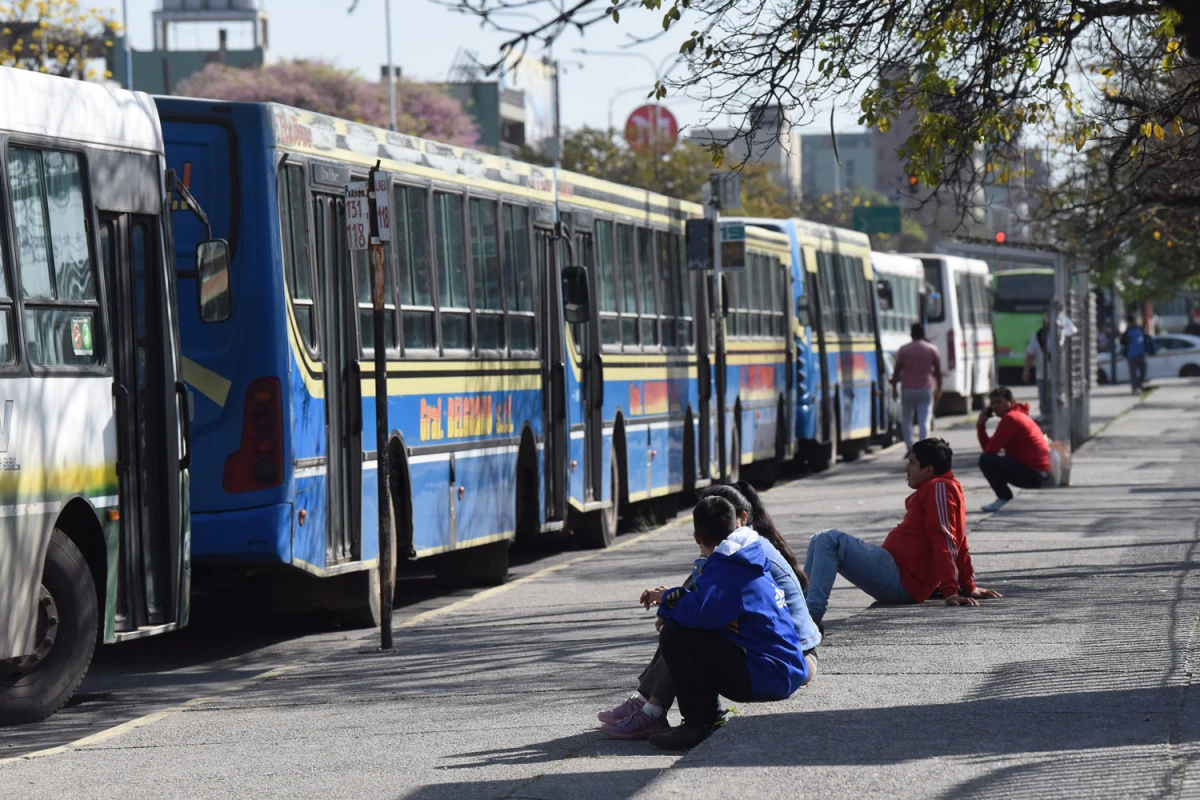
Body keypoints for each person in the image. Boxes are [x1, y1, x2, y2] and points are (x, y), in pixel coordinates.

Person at [597, 482, 821, 740]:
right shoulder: (747, 552)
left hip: (783, 669)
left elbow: (701, 613)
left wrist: (670, 603)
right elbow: (705, 600)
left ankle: (690, 721)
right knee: (684, 626)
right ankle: (650, 705)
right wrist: (672, 600)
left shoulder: (732, 563)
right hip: (783, 664)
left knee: (678, 633)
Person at [802, 438, 1002, 627]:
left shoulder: (940, 487)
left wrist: (951, 591)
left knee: (829, 540)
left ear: (928, 470)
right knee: (820, 539)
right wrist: (968, 586)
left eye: (912, 463)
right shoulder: (940, 487)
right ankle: (801, 614)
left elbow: (947, 539)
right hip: (894, 570)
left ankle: (810, 617)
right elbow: (960, 540)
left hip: (901, 579)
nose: (907, 468)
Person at [976, 386, 1051, 513]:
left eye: (999, 402)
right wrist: (981, 426)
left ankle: (1004, 497)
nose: (995, 406)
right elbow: (989, 450)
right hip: (1038, 473)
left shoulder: (1010, 419)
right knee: (987, 460)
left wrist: (980, 425)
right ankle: (1004, 497)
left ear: (1011, 401)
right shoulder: (1016, 415)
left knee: (985, 460)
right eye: (992, 403)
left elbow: (989, 452)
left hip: (1033, 475)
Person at [890, 323, 943, 456]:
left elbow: (897, 371)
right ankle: (923, 449)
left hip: (907, 388)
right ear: (923, 334)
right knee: (924, 419)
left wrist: (894, 388)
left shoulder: (903, 350)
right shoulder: (932, 349)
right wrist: (939, 389)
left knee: (907, 418)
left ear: (911, 334)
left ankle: (909, 448)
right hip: (925, 388)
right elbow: (938, 371)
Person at [1023, 311, 1078, 422]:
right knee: (1044, 400)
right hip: (1042, 375)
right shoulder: (1038, 336)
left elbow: (1073, 330)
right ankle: (1046, 419)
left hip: (1059, 375)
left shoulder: (1061, 333)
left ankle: (1059, 419)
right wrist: (1026, 371)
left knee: (1058, 400)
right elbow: (1030, 355)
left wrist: (1062, 316)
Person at [1121, 315, 1155, 393]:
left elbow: (1147, 338)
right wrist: (1126, 341)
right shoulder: (1127, 332)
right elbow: (1122, 342)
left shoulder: (1140, 330)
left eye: (1133, 321)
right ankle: (1134, 388)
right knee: (1133, 373)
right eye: (1131, 322)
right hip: (1131, 355)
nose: (1132, 323)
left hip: (1141, 354)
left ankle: (1139, 384)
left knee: (1143, 370)